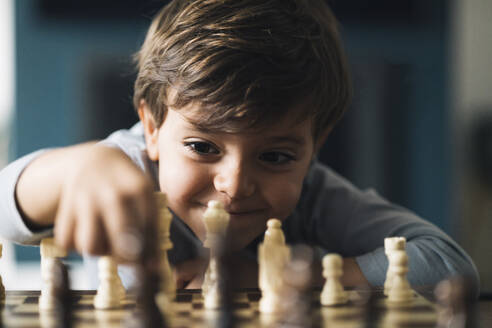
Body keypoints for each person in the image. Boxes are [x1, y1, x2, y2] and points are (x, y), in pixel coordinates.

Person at [0, 0, 479, 295]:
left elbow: (451, 265)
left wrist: (283, 275)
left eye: (275, 156)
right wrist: (75, 169)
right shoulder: (125, 170)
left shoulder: (312, 194)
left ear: (315, 148)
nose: (234, 185)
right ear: (150, 128)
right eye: (201, 146)